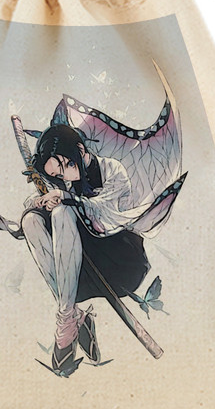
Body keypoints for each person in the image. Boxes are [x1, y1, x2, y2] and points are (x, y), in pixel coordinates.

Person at [21, 123, 151, 374]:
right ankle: (69, 316)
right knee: (31, 220)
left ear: (80, 151)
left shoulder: (112, 170)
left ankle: (68, 317)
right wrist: (40, 201)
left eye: (64, 167)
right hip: (81, 265)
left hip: (119, 259)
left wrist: (65, 199)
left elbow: (105, 211)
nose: (63, 177)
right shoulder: (65, 183)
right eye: (56, 175)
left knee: (62, 211)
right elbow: (46, 204)